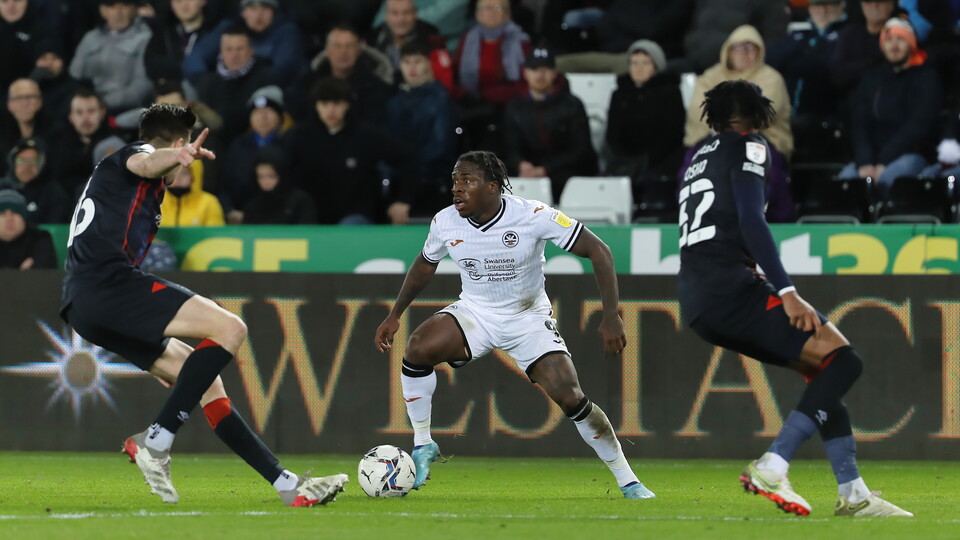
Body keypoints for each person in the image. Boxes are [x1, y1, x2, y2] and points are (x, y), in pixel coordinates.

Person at [60, 103, 347, 506]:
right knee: (231, 328)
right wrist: (173, 157)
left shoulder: (113, 177)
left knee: (206, 381)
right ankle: (156, 441)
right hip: (109, 285)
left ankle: (288, 486)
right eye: (183, 149)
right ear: (179, 142)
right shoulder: (134, 155)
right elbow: (144, 162)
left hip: (84, 306)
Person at [677, 80, 912, 517]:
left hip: (697, 297)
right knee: (845, 360)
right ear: (757, 110)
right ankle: (774, 463)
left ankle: (855, 495)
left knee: (821, 370)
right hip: (730, 288)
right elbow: (751, 219)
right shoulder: (750, 145)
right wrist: (786, 291)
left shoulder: (698, 157)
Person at [374, 150, 656, 500]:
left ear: (493, 187)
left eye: (467, 181)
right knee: (417, 347)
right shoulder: (445, 222)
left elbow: (600, 251)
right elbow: (424, 265)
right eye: (454, 181)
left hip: (528, 319)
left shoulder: (533, 215)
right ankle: (423, 443)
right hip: (476, 313)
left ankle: (629, 481)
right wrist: (395, 313)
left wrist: (611, 314)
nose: (457, 189)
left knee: (571, 397)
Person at [684, 24, 794, 223]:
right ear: (728, 51)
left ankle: (770, 217)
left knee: (768, 167)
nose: (744, 52)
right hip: (712, 139)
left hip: (760, 140)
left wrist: (725, 121)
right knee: (692, 162)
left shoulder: (771, 77)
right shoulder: (711, 76)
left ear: (759, 51)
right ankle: (695, 215)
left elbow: (762, 112)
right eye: (739, 47)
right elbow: (696, 110)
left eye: (751, 48)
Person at [837, 18, 941, 198]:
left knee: (890, 179)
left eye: (900, 39)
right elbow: (860, 124)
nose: (894, 45)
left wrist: (884, 162)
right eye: (888, 40)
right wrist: (865, 162)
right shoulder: (872, 78)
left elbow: (918, 126)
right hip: (873, 158)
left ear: (911, 43)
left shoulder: (927, 78)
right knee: (846, 181)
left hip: (911, 154)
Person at [503, 47, 598, 202]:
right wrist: (521, 164)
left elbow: (582, 150)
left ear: (554, 73)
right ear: (525, 73)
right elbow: (510, 147)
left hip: (568, 176)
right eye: (534, 69)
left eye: (545, 69)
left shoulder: (572, 105)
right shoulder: (515, 107)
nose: (539, 75)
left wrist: (546, 169)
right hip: (529, 178)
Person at [384, 40, 459, 221]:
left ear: (428, 64)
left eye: (417, 61)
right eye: (406, 62)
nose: (412, 68)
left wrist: (407, 190)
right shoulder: (394, 102)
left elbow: (440, 148)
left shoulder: (441, 100)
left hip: (431, 183)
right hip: (399, 182)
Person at [69, 0, 154, 115]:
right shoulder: (90, 38)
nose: (118, 13)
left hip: (127, 109)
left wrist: (102, 103)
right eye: (111, 6)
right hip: (88, 107)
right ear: (102, 11)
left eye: (124, 6)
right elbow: (74, 75)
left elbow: (142, 87)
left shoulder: (146, 38)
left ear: (134, 10)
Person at [367, 0, 453, 89]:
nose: (400, 19)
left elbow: (445, 81)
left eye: (406, 13)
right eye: (394, 13)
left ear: (415, 13)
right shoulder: (373, 39)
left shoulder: (432, 37)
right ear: (386, 15)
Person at [241, 147, 317, 224]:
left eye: (271, 176)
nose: (266, 182)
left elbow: (307, 230)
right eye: (261, 177)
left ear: (281, 175)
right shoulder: (253, 204)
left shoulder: (299, 202)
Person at [5, 136, 69, 224]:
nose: (26, 166)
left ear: (43, 164)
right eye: (20, 160)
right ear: (12, 162)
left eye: (33, 161)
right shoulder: (4, 190)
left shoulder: (53, 194)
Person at [0, 187, 56, 270]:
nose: (9, 219)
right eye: (3, 213)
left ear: (24, 218)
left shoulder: (40, 238)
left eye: (15, 212)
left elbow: (43, 277)